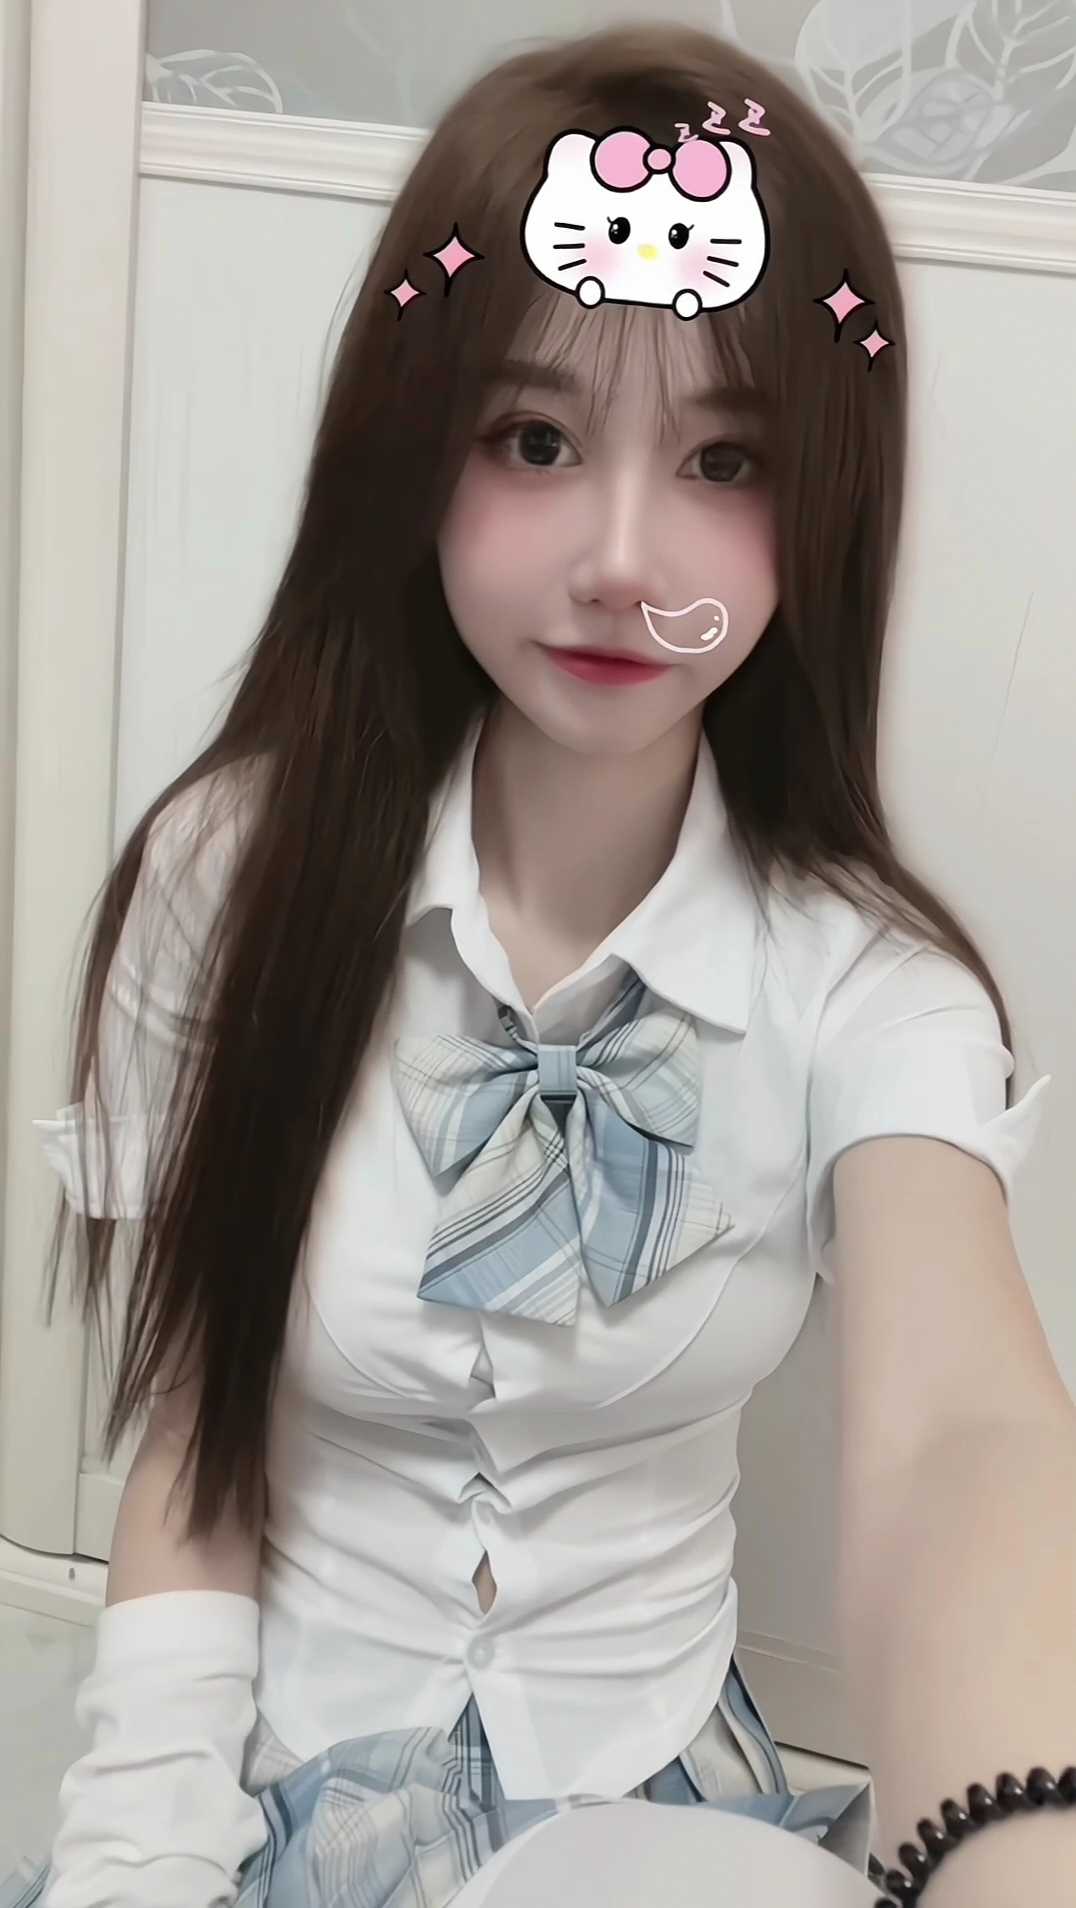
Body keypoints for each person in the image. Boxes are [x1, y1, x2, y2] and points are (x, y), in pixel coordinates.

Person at [0, 20, 1050, 1908]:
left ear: (823, 500)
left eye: (725, 458)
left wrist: (1020, 1834)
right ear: (416, 448)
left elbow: (961, 1440)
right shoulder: (229, 879)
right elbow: (192, 1427)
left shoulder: (869, 982)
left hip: (668, 1827)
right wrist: (142, 1853)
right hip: (264, 1782)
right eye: (538, 440)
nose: (623, 558)